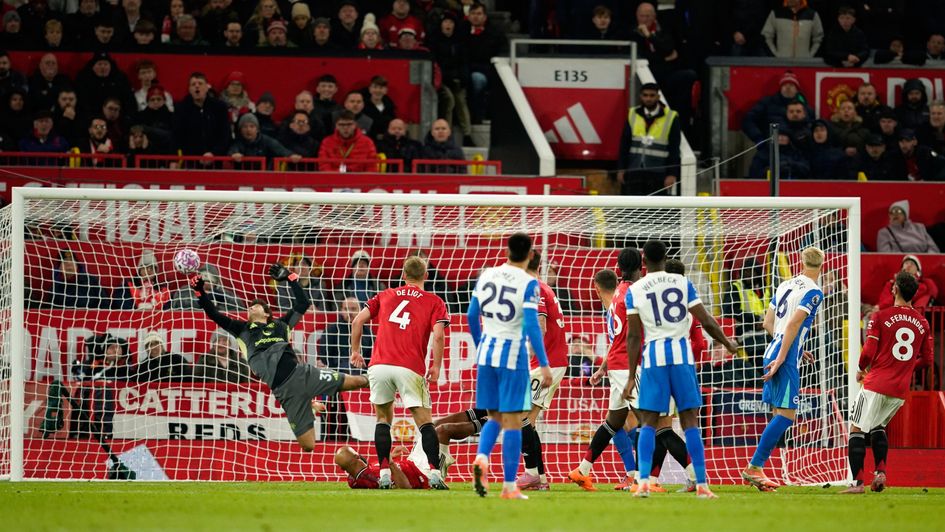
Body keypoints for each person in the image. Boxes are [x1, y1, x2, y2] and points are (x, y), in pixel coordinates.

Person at [192, 262, 368, 451]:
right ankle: (308, 404)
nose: (251, 308)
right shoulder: (241, 330)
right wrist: (200, 292)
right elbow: (214, 314)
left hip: (304, 375)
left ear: (267, 313)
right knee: (308, 445)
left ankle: (383, 377)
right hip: (286, 393)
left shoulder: (281, 325)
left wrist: (290, 278)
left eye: (255, 306)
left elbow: (303, 304)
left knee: (358, 381)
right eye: (250, 307)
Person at [627, 240, 738, 499]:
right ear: (666, 257)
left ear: (644, 261)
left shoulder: (636, 288)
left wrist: (632, 376)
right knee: (690, 422)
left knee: (648, 422)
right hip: (681, 358)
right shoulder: (682, 283)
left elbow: (633, 336)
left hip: (653, 359)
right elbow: (706, 320)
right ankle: (702, 485)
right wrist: (727, 342)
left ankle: (643, 483)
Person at [349, 256, 450, 490]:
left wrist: (355, 351)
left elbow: (357, 321)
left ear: (403, 275)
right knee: (424, 422)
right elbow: (438, 336)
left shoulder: (385, 295)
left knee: (383, 419)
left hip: (379, 365)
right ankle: (435, 473)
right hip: (409, 366)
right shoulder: (434, 301)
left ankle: (384, 474)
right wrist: (436, 365)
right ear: (426, 276)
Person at [467, 232, 552, 500]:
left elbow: (471, 314)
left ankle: (482, 457)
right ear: (530, 255)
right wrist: (545, 364)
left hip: (487, 355)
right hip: (513, 355)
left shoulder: (487, 275)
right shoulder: (528, 282)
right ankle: (508, 486)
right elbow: (532, 325)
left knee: (494, 416)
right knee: (514, 421)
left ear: (507, 251)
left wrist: (480, 344)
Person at [741, 247, 825, 492]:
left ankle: (757, 471)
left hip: (773, 349)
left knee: (779, 413)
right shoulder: (814, 291)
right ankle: (754, 467)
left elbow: (768, 323)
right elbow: (793, 324)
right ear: (823, 264)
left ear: (801, 261)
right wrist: (783, 356)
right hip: (783, 356)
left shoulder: (785, 284)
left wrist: (793, 347)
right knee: (787, 415)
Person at [841, 272, 933, 494]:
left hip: (876, 383)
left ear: (895, 289)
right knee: (878, 427)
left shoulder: (880, 316)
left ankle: (858, 484)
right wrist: (905, 368)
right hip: (899, 389)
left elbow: (868, 352)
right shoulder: (923, 323)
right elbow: (928, 360)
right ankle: (880, 472)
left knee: (856, 428)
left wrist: (860, 369)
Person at [569, 261, 640, 492]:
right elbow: (627, 340)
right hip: (627, 367)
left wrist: (601, 369)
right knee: (646, 420)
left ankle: (583, 470)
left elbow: (616, 342)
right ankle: (641, 477)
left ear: (596, 289)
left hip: (619, 367)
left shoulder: (614, 305)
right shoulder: (624, 299)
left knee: (614, 423)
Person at [515, 251, 569, 492]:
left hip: (547, 362)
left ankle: (532, 474)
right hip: (552, 360)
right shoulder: (544, 287)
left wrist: (528, 353)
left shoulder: (534, 288)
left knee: (518, 416)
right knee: (528, 421)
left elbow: (541, 325)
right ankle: (540, 478)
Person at [616, 82, 680, 196]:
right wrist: (621, 169)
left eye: (652, 95)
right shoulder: (633, 114)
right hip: (634, 170)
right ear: (640, 96)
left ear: (658, 97)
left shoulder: (670, 117)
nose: (648, 99)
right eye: (645, 95)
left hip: (658, 172)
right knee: (633, 205)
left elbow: (674, 148)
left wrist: (672, 174)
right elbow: (624, 144)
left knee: (656, 206)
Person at [742, 71, 811, 145]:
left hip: (797, 148)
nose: (788, 87)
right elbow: (748, 120)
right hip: (770, 147)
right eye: (785, 85)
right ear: (780, 87)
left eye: (791, 85)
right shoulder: (767, 103)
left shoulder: (804, 106)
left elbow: (812, 126)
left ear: (796, 89)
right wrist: (759, 139)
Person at [173, 72, 231, 157]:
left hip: (215, 158)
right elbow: (176, 136)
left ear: (207, 87)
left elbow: (225, 135)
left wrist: (213, 153)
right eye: (193, 84)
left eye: (200, 83)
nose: (197, 86)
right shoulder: (181, 108)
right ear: (189, 89)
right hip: (190, 159)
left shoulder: (220, 107)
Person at [335, 445, 430, 489]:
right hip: (422, 470)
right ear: (357, 456)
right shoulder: (372, 478)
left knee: (430, 428)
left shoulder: (362, 473)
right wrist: (391, 463)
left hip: (412, 460)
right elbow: (405, 487)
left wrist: (391, 455)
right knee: (435, 430)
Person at [229, 113, 299, 167]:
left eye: (252, 126)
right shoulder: (238, 142)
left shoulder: (266, 140)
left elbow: (280, 149)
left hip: (264, 177)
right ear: (240, 130)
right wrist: (234, 154)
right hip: (243, 177)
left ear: (257, 129)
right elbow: (233, 150)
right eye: (245, 127)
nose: (248, 130)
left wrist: (290, 155)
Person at [171, 263, 242, 311]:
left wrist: (218, 307)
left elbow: (240, 310)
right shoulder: (185, 292)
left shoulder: (227, 296)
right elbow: (177, 306)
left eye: (210, 281)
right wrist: (203, 302)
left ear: (216, 283)